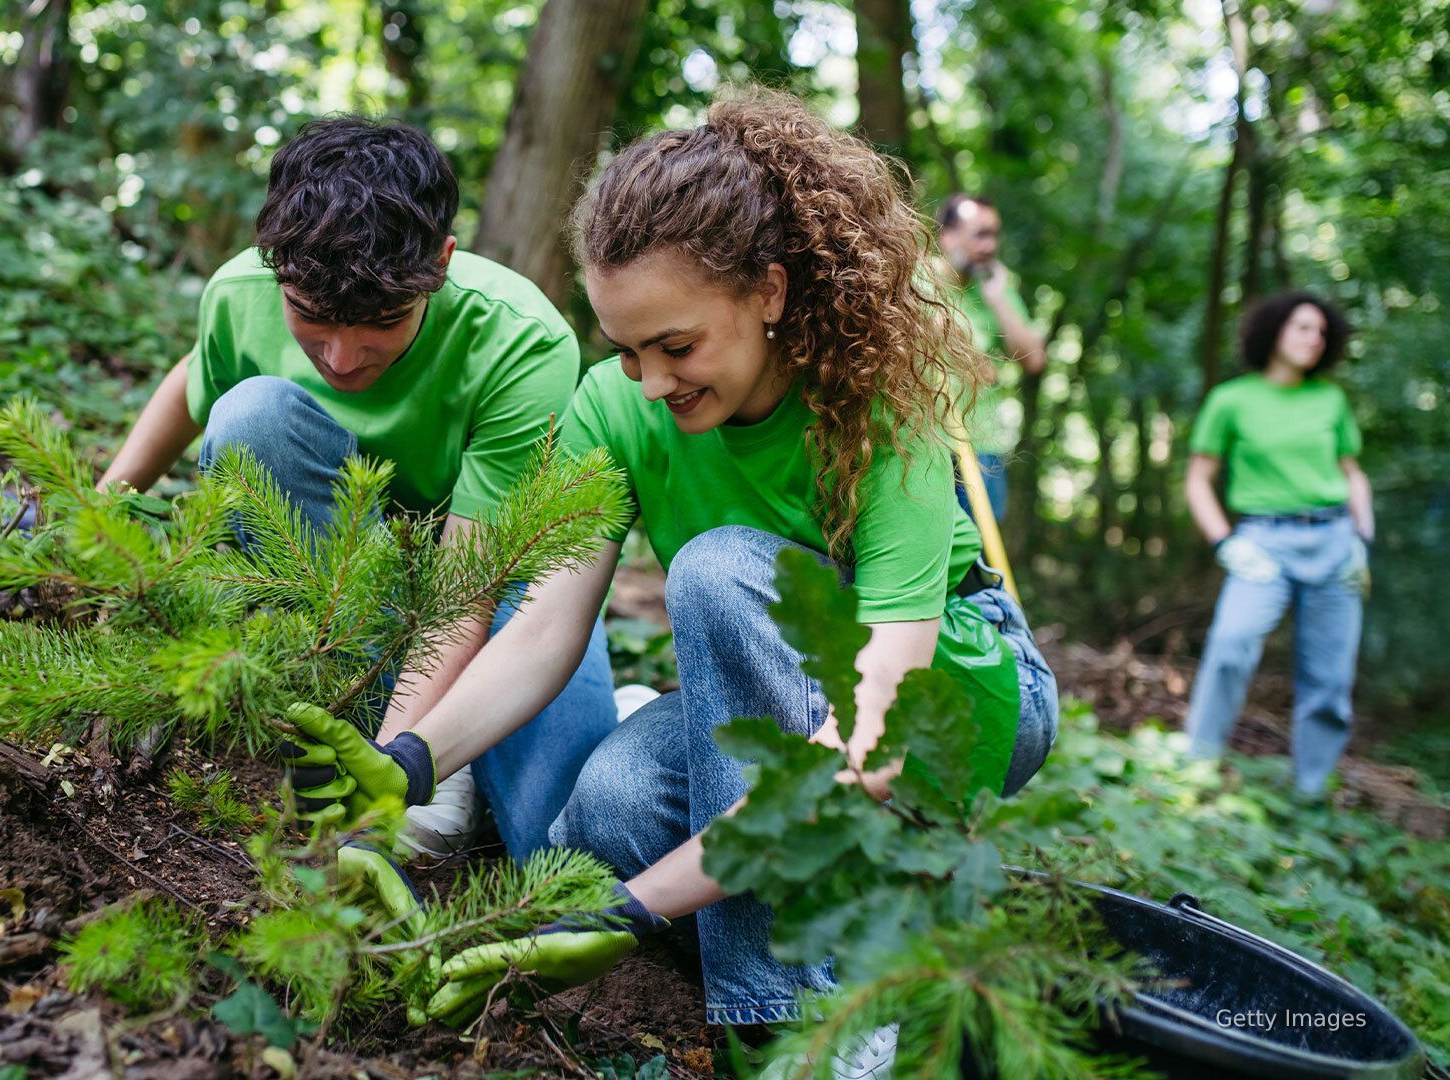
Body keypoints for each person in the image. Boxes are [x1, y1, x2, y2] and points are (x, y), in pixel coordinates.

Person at [281, 88, 1060, 1046]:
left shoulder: (873, 410)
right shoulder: (616, 409)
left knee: (720, 569)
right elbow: (544, 629)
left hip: (955, 696)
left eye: (677, 345)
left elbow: (873, 745)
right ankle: (868, 897)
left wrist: (636, 910)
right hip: (785, 709)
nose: (652, 383)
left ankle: (797, 1028)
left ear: (768, 291)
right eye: (625, 349)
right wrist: (411, 761)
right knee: (606, 808)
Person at [98, 117, 617, 860]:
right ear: (275, 263)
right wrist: (103, 509)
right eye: (310, 318)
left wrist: (390, 771)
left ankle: (492, 743)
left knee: (557, 842)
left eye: (381, 322)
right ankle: (439, 755)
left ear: (441, 262)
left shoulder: (520, 343)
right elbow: (196, 381)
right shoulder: (238, 293)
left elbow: (463, 594)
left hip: (491, 582)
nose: (341, 357)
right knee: (251, 415)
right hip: (339, 578)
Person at [1183, 291, 1373, 798]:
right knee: (1229, 644)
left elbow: (1351, 473)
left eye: (1321, 332)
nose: (1314, 339)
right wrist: (1225, 542)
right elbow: (1198, 480)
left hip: (1335, 542)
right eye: (1303, 328)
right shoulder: (1232, 400)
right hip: (1262, 544)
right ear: (1274, 332)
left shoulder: (1330, 399)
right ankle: (1196, 766)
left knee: (1329, 679)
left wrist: (1361, 538)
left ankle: (1311, 788)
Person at [935, 193, 1047, 521]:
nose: (990, 245)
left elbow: (1034, 360)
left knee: (983, 556)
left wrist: (999, 300)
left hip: (984, 446)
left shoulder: (995, 287)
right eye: (980, 234)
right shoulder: (916, 279)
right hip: (927, 443)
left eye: (994, 234)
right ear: (948, 235)